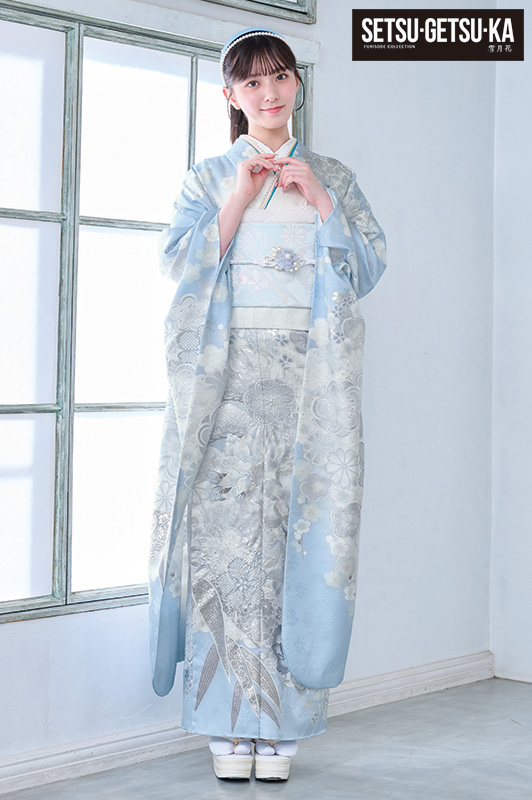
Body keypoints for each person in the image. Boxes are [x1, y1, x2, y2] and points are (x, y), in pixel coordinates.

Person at [148, 25, 387, 782]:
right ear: (231, 95)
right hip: (227, 380)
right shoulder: (208, 177)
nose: (270, 91)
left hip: (308, 381)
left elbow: (366, 268)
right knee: (224, 549)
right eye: (252, 81)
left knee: (298, 542)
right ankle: (227, 721)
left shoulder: (333, 176)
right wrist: (239, 198)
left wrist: (320, 200)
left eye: (280, 75)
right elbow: (177, 264)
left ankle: (283, 726)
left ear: (297, 84)